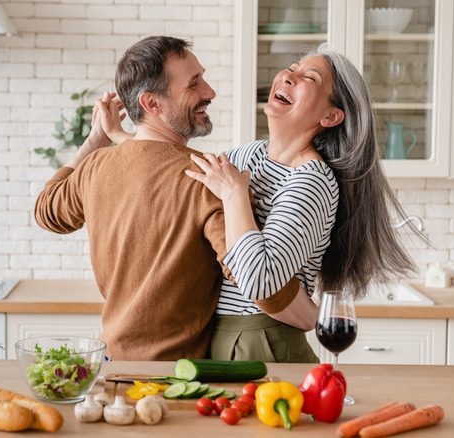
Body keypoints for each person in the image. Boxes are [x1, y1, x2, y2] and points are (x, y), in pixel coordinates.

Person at [99, 43, 423, 362]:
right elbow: (178, 170)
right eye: (292, 68)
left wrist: (235, 195)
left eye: (310, 78)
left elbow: (261, 281)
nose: (288, 76)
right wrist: (119, 136)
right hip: (216, 337)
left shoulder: (311, 181)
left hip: (263, 339)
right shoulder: (247, 155)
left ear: (330, 115)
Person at [34, 36, 307, 361]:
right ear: (152, 104)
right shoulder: (208, 179)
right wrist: (317, 317)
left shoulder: (96, 166)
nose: (210, 92)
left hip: (109, 365)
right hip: (173, 379)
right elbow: (261, 286)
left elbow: (47, 211)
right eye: (194, 85)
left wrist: (95, 140)